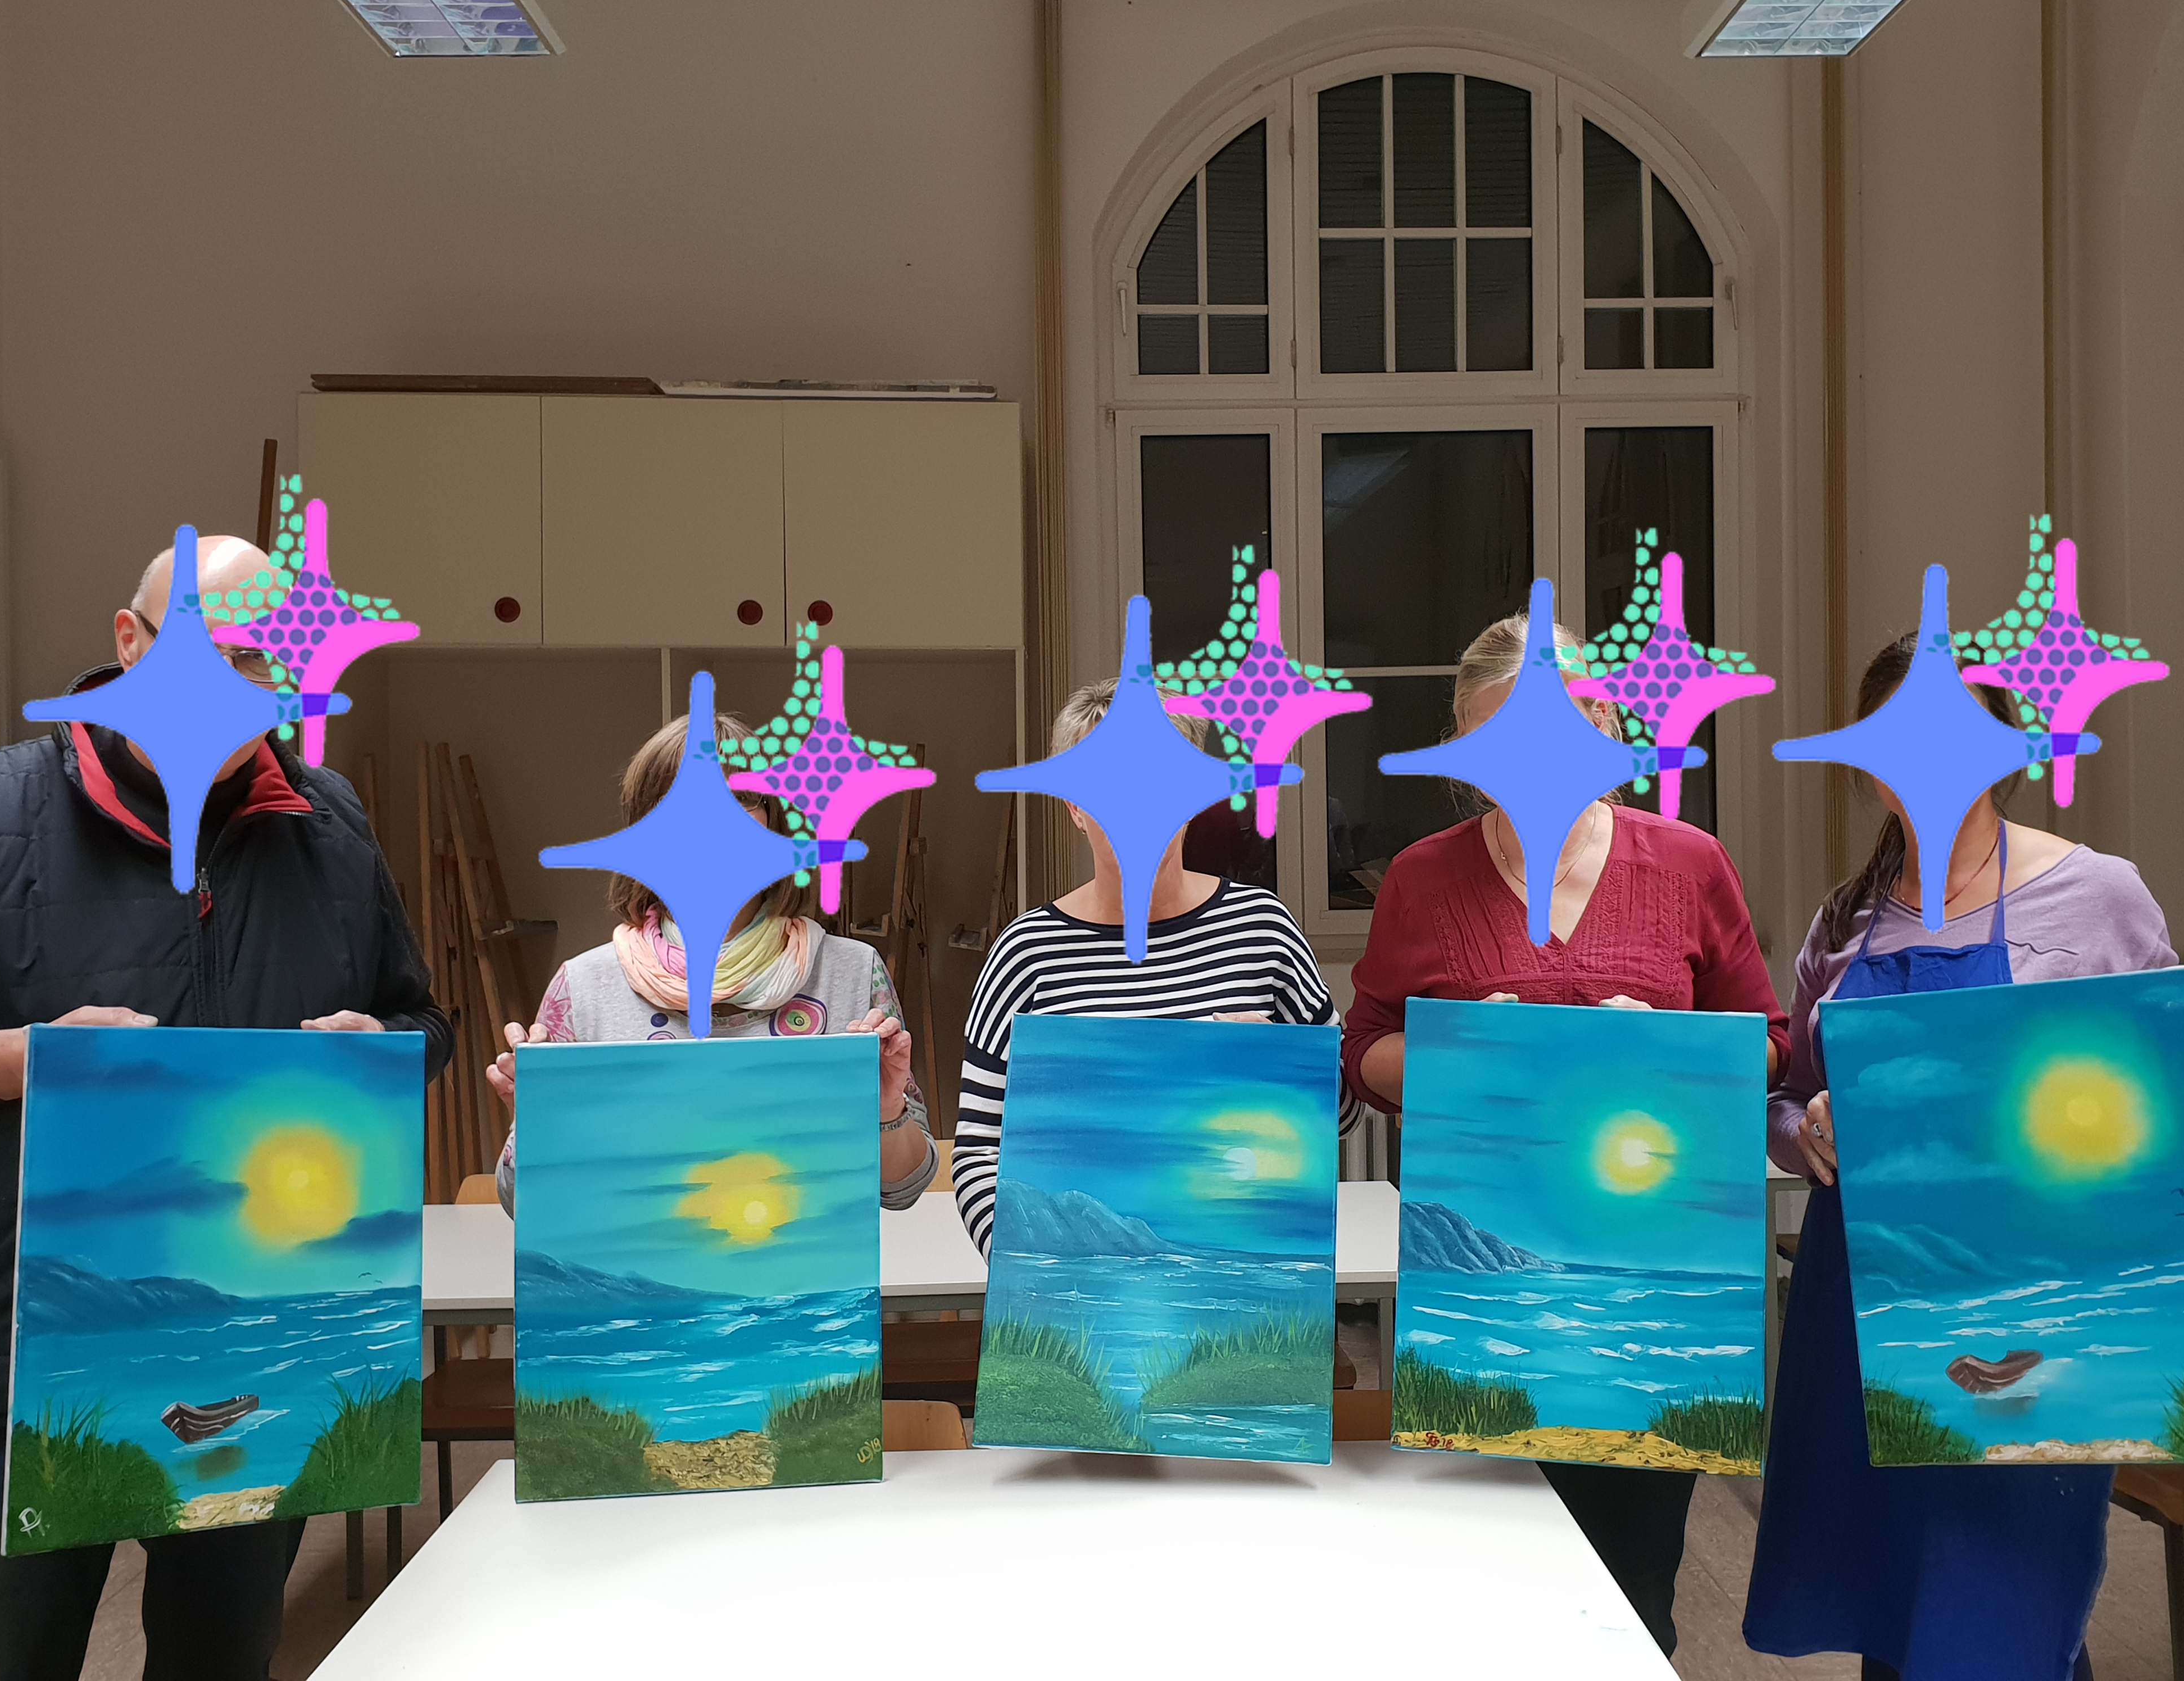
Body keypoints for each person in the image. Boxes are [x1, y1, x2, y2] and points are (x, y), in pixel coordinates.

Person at [0, 536, 452, 1681]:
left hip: (257, 1340)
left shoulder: (329, 825)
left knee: (224, 1652)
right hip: (28, 1351)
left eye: (271, 663)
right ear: (130, 641)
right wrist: (14, 1059)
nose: (249, 687)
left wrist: (380, 1050)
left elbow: (422, 1020)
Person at [1742, 633, 2184, 1681]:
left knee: (2007, 1610)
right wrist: (1808, 1134)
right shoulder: (1843, 920)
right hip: (1858, 1299)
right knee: (1893, 1601)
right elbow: (1784, 1105)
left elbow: (2159, 1106)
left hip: (2035, 1306)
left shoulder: (2099, 894)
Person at [1340, 610, 1790, 1660]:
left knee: (1632, 1599)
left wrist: (1665, 1049)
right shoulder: (1421, 876)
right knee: (1485, 1603)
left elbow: (1769, 1045)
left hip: (1653, 1297)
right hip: (1481, 1293)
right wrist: (1461, 1051)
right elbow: (1363, 1052)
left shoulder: (1688, 863)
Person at [951, 679, 1360, 1257]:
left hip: (1243, 1277)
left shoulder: (1261, 927)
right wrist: (1032, 1270)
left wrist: (1284, 1066)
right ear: (1074, 806)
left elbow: (1344, 1116)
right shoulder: (1028, 952)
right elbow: (977, 1151)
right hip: (1073, 1293)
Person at [488, 710, 935, 1213]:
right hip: (638, 1265)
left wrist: (887, 1110)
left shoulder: (850, 973)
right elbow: (523, 1204)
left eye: (742, 798)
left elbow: (904, 1188)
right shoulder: (584, 988)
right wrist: (541, 1126)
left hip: (811, 1266)